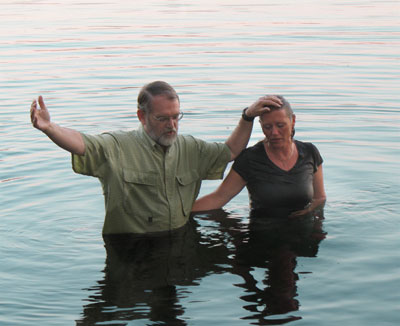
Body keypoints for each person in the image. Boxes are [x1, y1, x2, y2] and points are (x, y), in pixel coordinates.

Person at [30, 81, 283, 234]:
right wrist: (50, 128)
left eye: (176, 116)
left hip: (179, 244)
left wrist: (247, 116)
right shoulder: (118, 146)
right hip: (129, 249)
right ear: (142, 117)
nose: (172, 125)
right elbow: (83, 144)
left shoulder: (191, 149)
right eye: (162, 118)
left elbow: (230, 151)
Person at [192, 95, 326, 218]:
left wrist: (312, 220)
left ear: (293, 121)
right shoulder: (250, 159)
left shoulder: (309, 153)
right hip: (262, 234)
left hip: (302, 235)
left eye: (280, 125)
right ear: (260, 125)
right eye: (267, 127)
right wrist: (179, 213)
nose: (274, 132)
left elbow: (319, 198)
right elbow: (219, 197)